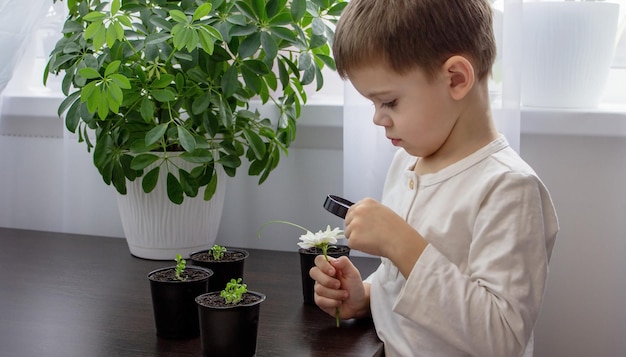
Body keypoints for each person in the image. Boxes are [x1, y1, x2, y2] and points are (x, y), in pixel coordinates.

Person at [309, 1, 559, 356]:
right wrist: (366, 296)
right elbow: (405, 283)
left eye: (390, 102)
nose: (378, 119)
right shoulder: (405, 164)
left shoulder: (508, 189)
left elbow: (501, 338)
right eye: (373, 104)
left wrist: (400, 242)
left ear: (456, 79)